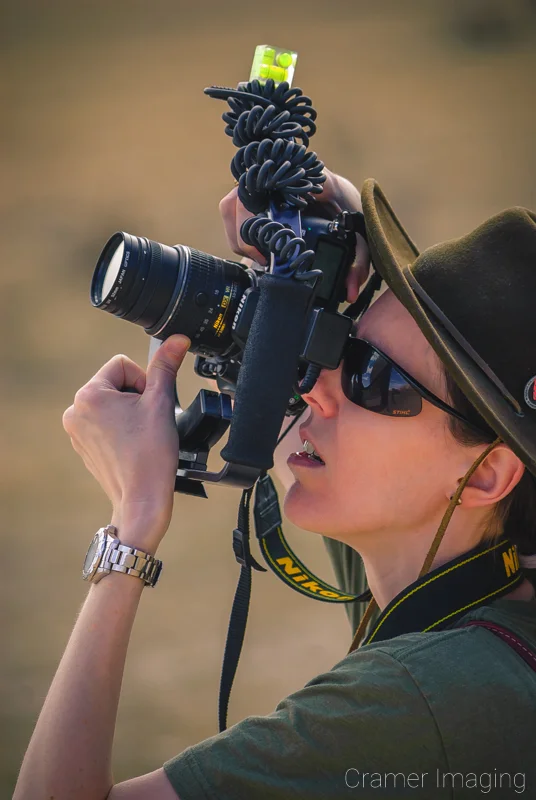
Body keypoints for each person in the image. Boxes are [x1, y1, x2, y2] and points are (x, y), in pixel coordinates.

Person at [14, 171, 536, 800]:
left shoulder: (423, 700)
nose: (319, 387)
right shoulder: (472, 580)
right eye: (342, 351)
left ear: (486, 474)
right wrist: (322, 233)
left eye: (376, 380)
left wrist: (133, 523)